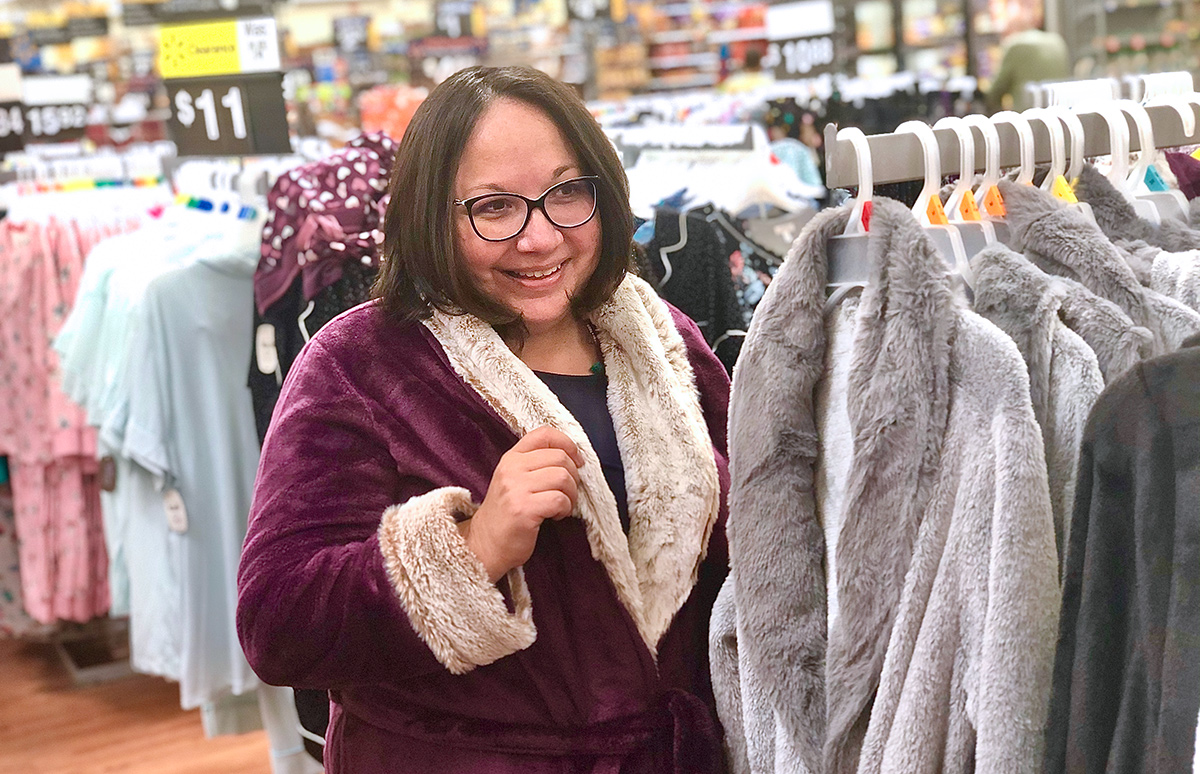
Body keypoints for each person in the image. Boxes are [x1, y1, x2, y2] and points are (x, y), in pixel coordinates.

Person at [236, 66, 732, 773]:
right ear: (432, 216)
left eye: (566, 193)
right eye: (495, 207)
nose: (538, 238)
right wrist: (473, 550)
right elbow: (277, 625)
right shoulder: (359, 363)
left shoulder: (659, 337)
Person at [985, 17, 1070, 112]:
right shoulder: (1057, 41)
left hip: (1028, 118)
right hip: (1059, 114)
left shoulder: (1015, 46)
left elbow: (995, 92)